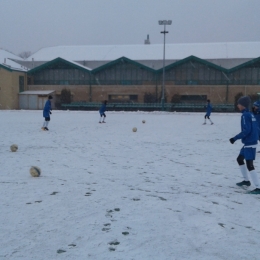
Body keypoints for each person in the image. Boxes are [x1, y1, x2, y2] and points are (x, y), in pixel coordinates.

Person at [229, 96, 260, 194]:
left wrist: (235, 138)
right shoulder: (250, 114)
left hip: (249, 143)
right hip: (249, 142)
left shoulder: (245, 115)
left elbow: (246, 130)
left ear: (243, 105)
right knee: (239, 159)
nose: (237, 105)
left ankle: (258, 187)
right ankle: (246, 181)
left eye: (239, 104)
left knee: (250, 165)